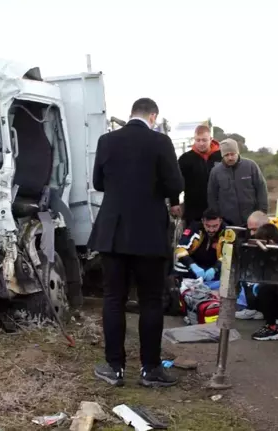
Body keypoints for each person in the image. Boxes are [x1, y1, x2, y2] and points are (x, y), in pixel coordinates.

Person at [88, 97, 184, 388]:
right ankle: (150, 369)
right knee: (151, 301)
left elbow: (98, 183)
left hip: (113, 232)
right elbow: (175, 186)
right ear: (153, 116)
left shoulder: (106, 141)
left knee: (113, 299)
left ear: (132, 114)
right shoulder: (161, 142)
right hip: (149, 234)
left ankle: (114, 368)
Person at [207, 138, 268, 226]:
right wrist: (217, 217)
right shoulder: (215, 172)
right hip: (227, 223)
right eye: (226, 155)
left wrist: (262, 212)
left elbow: (261, 188)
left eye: (232, 154)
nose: (230, 157)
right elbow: (212, 196)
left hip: (252, 221)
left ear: (238, 152)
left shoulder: (251, 166)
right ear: (222, 155)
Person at [170, 125, 222, 226]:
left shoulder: (221, 156)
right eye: (198, 140)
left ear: (211, 139)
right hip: (194, 210)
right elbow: (175, 181)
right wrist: (174, 201)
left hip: (219, 209)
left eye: (204, 140)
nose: (201, 143)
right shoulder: (185, 159)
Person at [173, 208, 225, 281]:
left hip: (214, 268)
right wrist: (192, 265)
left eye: (215, 226)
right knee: (179, 266)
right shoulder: (195, 228)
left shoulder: (226, 232)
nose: (211, 230)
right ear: (203, 221)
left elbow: (227, 256)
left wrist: (215, 268)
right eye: (208, 226)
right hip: (195, 265)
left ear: (220, 221)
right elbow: (180, 248)